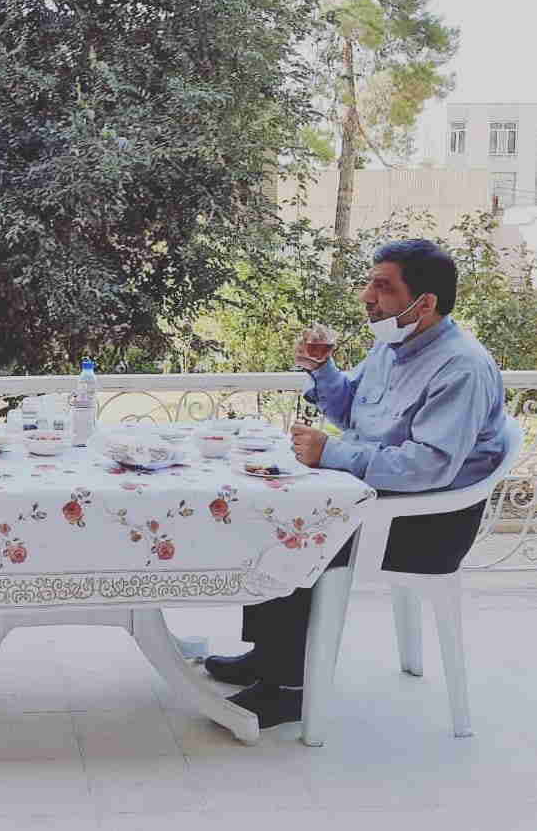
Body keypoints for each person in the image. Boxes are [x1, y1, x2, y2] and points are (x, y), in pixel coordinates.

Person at [204, 239, 508, 730]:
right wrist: (322, 370)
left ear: (425, 302)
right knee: (273, 508)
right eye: (369, 283)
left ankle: (290, 688)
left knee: (293, 528)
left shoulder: (462, 367)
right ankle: (270, 656)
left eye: (382, 287)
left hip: (428, 522)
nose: (367, 296)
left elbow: (428, 467)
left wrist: (332, 453)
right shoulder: (392, 345)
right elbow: (352, 411)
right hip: (380, 499)